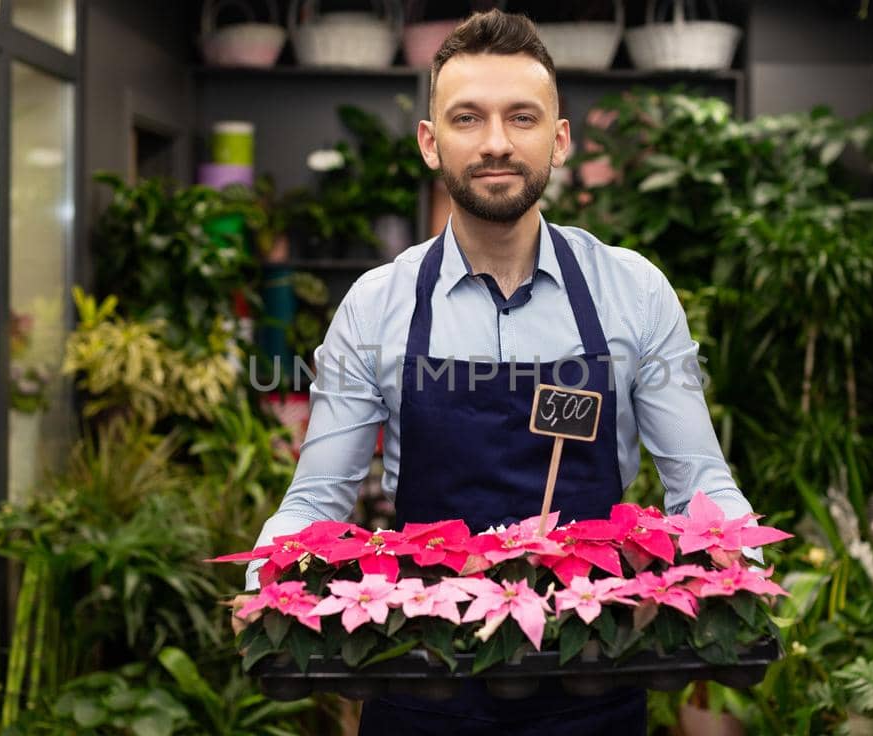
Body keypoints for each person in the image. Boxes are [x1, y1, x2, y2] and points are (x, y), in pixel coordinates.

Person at [234, 9, 759, 734]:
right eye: (467, 118)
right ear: (430, 142)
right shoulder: (377, 306)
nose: (495, 144)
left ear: (560, 138)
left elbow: (700, 485)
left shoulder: (633, 293)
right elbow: (318, 502)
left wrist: (732, 570)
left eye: (522, 117)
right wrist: (268, 578)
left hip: (592, 680)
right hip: (422, 683)